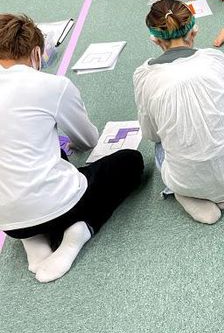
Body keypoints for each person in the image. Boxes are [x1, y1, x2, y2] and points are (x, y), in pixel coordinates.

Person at [0, 14, 145, 283]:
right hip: (62, 206)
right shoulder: (51, 85)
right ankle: (77, 234)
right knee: (130, 161)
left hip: (8, 221)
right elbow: (87, 139)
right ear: (35, 53)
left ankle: (31, 240)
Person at [133, 0, 224, 225]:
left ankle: (186, 193)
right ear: (194, 31)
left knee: (161, 146)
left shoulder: (144, 76)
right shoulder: (215, 59)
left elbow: (152, 134)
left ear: (155, 40)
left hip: (187, 179)